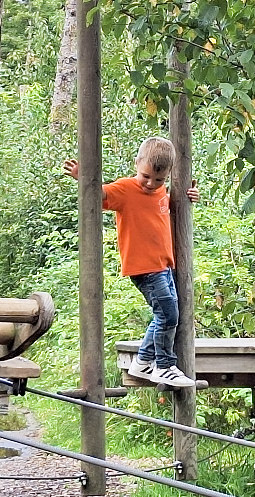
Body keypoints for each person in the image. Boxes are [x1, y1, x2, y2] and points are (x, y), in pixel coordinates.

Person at [62, 137, 200, 387]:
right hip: (144, 268)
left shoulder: (161, 192)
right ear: (137, 163)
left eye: (159, 180)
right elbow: (99, 194)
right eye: (146, 176)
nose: (151, 183)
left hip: (164, 265)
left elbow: (168, 206)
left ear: (168, 175)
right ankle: (164, 365)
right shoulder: (125, 188)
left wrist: (188, 195)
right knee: (168, 314)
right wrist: (82, 177)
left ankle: (143, 362)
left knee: (166, 314)